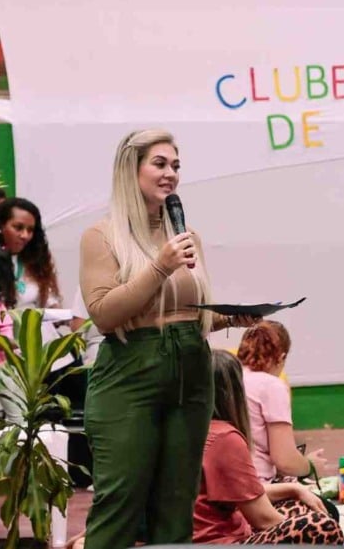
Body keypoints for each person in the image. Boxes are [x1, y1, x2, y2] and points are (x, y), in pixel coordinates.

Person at [79, 129, 258, 548]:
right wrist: (159, 267)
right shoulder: (102, 237)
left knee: (177, 504)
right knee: (120, 501)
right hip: (129, 375)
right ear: (131, 170)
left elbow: (185, 316)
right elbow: (104, 315)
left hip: (192, 373)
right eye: (159, 164)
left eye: (176, 165)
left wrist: (233, 318)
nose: (171, 174)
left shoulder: (185, 235)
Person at [193, 350, 343, 545]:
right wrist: (296, 525)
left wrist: (293, 489)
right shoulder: (225, 437)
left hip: (213, 529)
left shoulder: (193, 429)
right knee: (321, 525)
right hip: (219, 540)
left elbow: (244, 493)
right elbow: (263, 518)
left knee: (310, 507)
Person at [237, 320, 327, 481]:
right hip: (256, 488)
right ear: (281, 357)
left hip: (223, 487)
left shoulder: (228, 376)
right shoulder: (271, 386)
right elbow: (285, 461)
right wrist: (310, 465)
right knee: (325, 506)